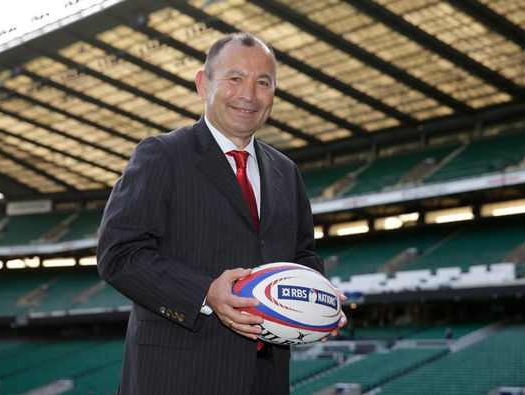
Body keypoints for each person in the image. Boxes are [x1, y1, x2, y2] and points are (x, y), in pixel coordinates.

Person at [97, 32, 346, 395]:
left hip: (266, 380)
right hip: (177, 378)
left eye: (263, 82)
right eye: (235, 78)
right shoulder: (162, 155)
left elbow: (302, 255)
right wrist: (205, 293)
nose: (249, 94)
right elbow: (119, 254)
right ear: (203, 84)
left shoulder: (286, 171)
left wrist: (318, 298)